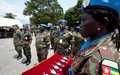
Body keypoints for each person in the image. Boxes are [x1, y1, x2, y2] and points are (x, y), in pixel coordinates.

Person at [69, 0, 120, 75]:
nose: (80, 25)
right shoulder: (91, 43)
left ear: (102, 23)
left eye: (84, 20)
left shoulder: (99, 58)